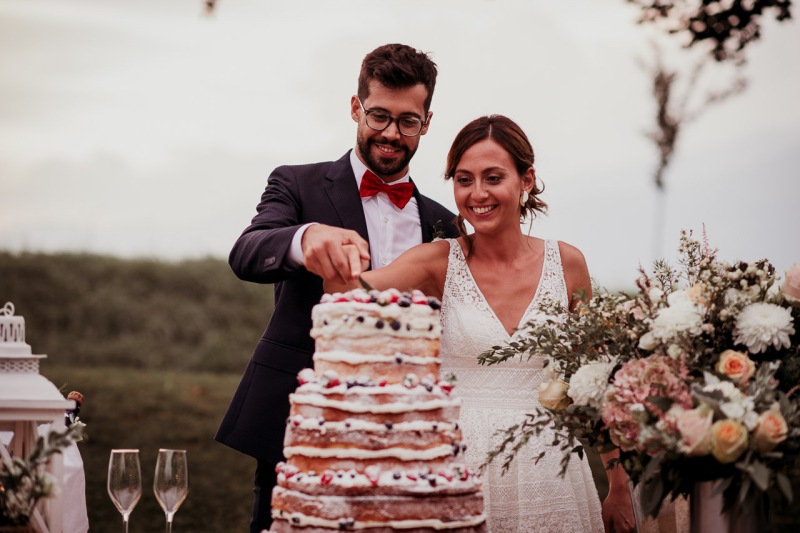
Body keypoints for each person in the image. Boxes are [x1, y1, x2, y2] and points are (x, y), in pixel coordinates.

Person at [327, 115, 636, 532]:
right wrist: (330, 249)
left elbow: (594, 385)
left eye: (493, 178)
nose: (477, 194)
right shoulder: (438, 260)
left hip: (551, 476)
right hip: (456, 468)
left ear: (526, 180)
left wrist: (618, 484)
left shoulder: (567, 264)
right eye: (464, 179)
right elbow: (349, 294)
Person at [214, 43, 460, 533]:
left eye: (408, 121)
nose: (392, 133)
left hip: (409, 441)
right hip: (303, 425)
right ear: (355, 108)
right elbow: (247, 252)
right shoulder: (298, 184)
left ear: (427, 122)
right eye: (379, 116)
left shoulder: (444, 223)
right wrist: (306, 238)